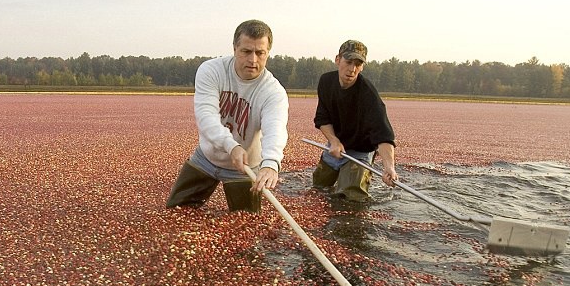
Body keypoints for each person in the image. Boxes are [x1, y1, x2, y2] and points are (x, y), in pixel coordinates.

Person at [166, 19, 288, 213]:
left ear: (268, 53)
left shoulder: (273, 92)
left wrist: (271, 162)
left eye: (260, 53)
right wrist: (231, 146)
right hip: (206, 158)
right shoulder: (212, 70)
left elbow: (275, 128)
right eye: (246, 51)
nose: (253, 60)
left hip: (245, 167)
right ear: (234, 48)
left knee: (247, 223)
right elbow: (206, 116)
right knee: (175, 210)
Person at [312, 40, 399, 201]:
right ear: (338, 60)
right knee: (318, 187)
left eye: (358, 64)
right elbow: (322, 118)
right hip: (337, 145)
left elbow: (383, 134)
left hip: (360, 151)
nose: (352, 69)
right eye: (349, 62)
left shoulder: (368, 94)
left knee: (351, 197)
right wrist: (334, 141)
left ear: (363, 66)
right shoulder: (326, 82)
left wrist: (389, 167)